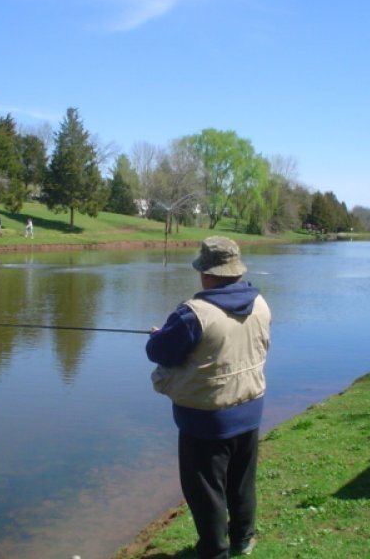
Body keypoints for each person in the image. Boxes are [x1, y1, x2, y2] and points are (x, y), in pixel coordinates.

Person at [146, 236, 271, 558]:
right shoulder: (261, 303)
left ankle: (215, 551)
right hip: (250, 408)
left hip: (206, 419)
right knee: (241, 482)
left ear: (205, 273)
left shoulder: (193, 314)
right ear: (236, 272)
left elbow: (158, 351)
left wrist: (160, 335)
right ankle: (243, 540)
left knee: (205, 489)